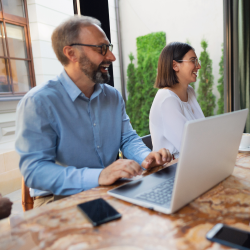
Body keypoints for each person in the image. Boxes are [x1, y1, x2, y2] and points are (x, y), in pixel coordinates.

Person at [15, 16, 172, 208]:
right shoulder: (38, 102)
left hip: (107, 188)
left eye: (109, 48)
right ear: (71, 53)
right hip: (59, 199)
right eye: (101, 49)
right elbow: (34, 171)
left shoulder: (113, 96)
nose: (111, 57)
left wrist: (146, 157)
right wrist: (98, 176)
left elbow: (127, 139)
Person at [149, 42, 205, 159]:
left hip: (194, 163)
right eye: (193, 61)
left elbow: (202, 131)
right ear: (175, 65)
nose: (198, 66)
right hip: (173, 170)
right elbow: (190, 148)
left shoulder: (189, 92)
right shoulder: (167, 100)